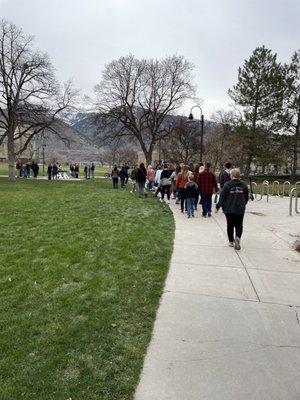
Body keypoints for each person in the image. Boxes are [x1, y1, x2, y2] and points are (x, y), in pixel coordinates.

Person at [216, 168, 249, 250]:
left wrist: (218, 206)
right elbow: (246, 197)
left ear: (231, 175)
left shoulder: (227, 185)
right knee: (239, 224)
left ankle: (231, 241)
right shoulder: (244, 185)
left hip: (229, 208)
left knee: (230, 225)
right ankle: (237, 237)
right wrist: (243, 204)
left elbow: (222, 197)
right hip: (240, 208)